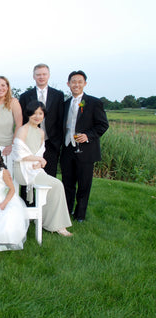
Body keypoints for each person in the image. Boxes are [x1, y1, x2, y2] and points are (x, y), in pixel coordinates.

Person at [13, 101, 73, 236]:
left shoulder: (41, 132)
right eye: (34, 113)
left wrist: (39, 162)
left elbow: (39, 153)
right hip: (22, 169)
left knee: (55, 186)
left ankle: (48, 221)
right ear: (28, 114)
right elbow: (18, 153)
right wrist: (39, 160)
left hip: (35, 168)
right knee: (57, 184)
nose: (37, 116)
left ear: (44, 115)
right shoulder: (23, 130)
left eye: (40, 113)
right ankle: (58, 225)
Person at [60, 70, 109, 222]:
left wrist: (88, 136)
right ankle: (66, 212)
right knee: (67, 183)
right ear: (68, 84)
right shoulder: (65, 104)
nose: (76, 84)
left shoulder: (94, 103)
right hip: (68, 148)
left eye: (80, 82)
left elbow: (102, 125)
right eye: (73, 82)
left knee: (84, 184)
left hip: (86, 150)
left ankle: (80, 215)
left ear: (85, 84)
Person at [19, 64, 65, 177]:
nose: (41, 77)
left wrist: (57, 142)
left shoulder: (58, 95)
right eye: (38, 74)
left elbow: (60, 119)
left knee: (49, 176)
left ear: (48, 75)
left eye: (44, 74)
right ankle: (26, 196)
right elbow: (23, 120)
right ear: (33, 76)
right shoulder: (25, 96)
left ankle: (47, 196)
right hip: (30, 142)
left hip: (51, 143)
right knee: (28, 176)